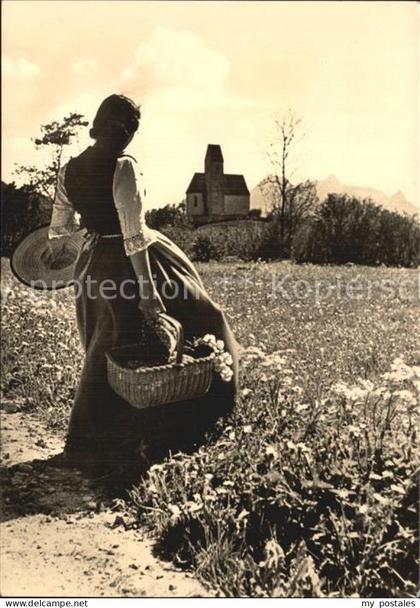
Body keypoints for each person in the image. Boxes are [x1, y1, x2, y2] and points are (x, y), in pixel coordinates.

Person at [47, 94, 239, 467]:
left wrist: (87, 247)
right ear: (123, 129)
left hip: (94, 264)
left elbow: (59, 230)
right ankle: (181, 427)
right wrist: (148, 295)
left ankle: (105, 438)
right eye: (132, 128)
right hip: (133, 264)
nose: (132, 136)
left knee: (110, 345)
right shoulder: (124, 166)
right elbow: (134, 236)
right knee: (203, 319)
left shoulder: (69, 169)